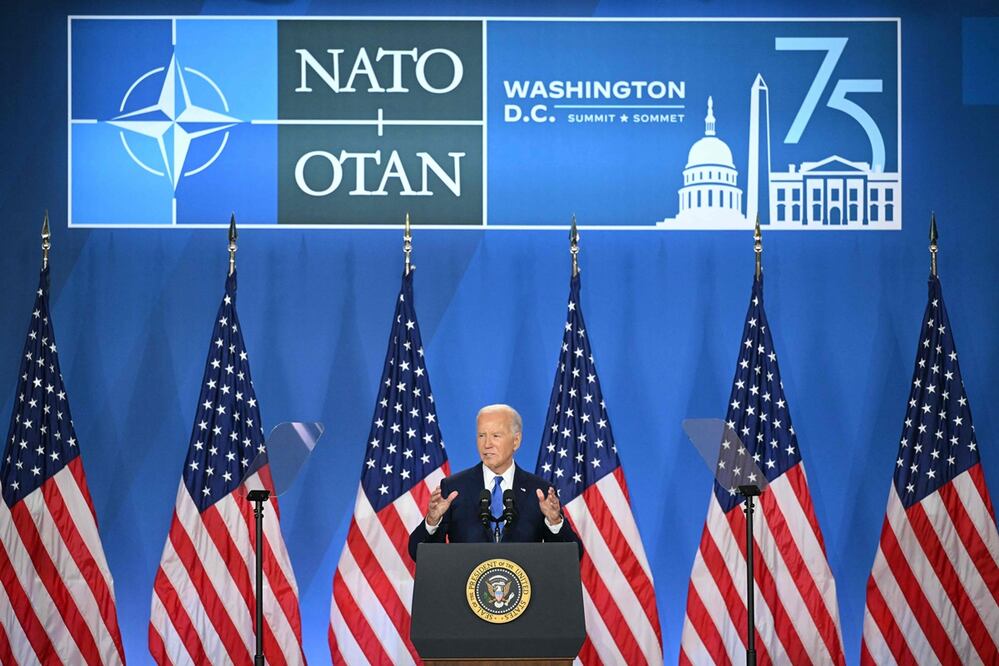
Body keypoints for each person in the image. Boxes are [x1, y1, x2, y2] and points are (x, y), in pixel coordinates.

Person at [408, 404, 581, 561]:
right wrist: (432, 521)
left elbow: (572, 556)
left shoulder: (540, 491)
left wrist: (555, 521)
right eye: (481, 435)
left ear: (516, 441)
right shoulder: (454, 489)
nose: (487, 444)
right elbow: (418, 553)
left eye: (496, 436)